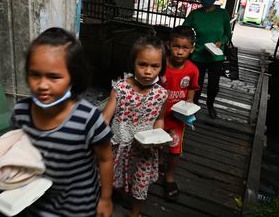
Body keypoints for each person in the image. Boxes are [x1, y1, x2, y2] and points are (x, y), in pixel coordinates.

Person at [11, 27, 114, 217]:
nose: (42, 85)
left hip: (78, 207)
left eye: (53, 77)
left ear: (73, 78)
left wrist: (106, 199)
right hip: (34, 204)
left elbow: (105, 159)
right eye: (35, 74)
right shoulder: (21, 113)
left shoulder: (89, 119)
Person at [102, 34, 168, 217]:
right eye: (143, 64)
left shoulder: (161, 94)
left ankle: (135, 212)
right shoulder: (121, 88)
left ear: (162, 67)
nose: (148, 71)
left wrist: (159, 136)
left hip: (144, 149)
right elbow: (105, 117)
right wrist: (98, 138)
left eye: (155, 66)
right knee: (118, 177)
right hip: (120, 146)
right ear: (133, 63)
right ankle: (122, 195)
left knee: (140, 182)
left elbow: (159, 119)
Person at [159, 26, 199, 201]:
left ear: (192, 48)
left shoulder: (192, 70)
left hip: (177, 119)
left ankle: (169, 176)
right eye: (176, 46)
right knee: (157, 144)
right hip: (157, 116)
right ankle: (156, 165)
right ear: (168, 45)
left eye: (185, 48)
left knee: (174, 150)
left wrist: (189, 103)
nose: (180, 52)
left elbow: (192, 88)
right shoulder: (160, 65)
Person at [183, 0, 232, 119]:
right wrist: (191, 43)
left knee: (213, 86)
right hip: (198, 56)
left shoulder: (222, 14)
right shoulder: (195, 14)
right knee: (196, 85)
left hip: (216, 56)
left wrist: (221, 41)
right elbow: (183, 31)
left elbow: (228, 34)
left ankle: (210, 105)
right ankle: (194, 106)